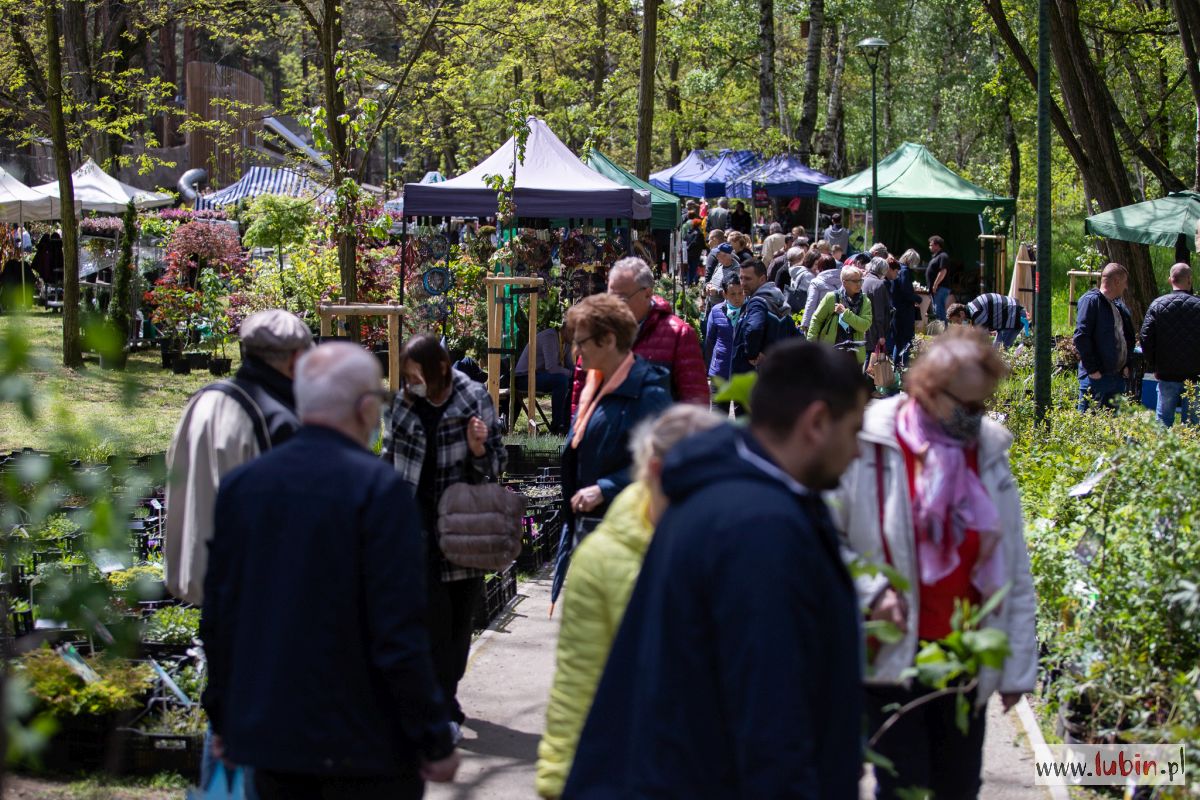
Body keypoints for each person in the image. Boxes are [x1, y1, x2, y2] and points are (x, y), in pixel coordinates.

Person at [564, 340, 870, 799]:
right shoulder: (760, 527)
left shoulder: (723, 499)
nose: (859, 452)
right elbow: (772, 719)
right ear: (817, 422)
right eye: (854, 431)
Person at [201, 343, 460, 800]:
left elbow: (221, 617)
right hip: (367, 747)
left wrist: (223, 716)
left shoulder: (243, 488)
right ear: (365, 408)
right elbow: (398, 630)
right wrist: (433, 735)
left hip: (274, 739)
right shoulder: (380, 492)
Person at [832, 327, 1037, 800]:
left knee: (959, 787)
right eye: (962, 404)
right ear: (924, 388)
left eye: (980, 404)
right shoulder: (866, 439)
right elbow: (823, 536)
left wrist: (1017, 667)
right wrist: (874, 593)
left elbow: (1013, 563)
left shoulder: (987, 449)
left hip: (963, 655)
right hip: (887, 656)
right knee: (903, 786)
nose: (973, 417)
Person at [537, 405, 722, 800]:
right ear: (655, 473)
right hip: (633, 767)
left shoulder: (737, 549)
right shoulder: (601, 559)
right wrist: (557, 781)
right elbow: (578, 680)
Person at [383, 333, 506, 737]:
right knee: (431, 619)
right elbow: (390, 456)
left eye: (417, 375)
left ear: (439, 370)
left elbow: (497, 462)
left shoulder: (472, 398)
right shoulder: (403, 402)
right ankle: (437, 703)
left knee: (459, 620)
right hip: (416, 523)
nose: (411, 382)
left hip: (464, 524)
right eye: (406, 376)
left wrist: (478, 450)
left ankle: (446, 693)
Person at [165, 309, 314, 606]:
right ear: (297, 359)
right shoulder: (277, 421)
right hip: (255, 599)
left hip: (203, 586)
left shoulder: (204, 398)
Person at [557, 294, 673, 597]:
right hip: (596, 533)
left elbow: (664, 465)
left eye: (581, 343)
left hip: (627, 541)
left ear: (608, 340)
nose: (576, 352)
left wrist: (605, 487)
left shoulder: (647, 393)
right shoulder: (596, 386)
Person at [569, 257, 706, 407]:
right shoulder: (598, 329)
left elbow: (695, 402)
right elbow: (581, 394)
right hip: (605, 428)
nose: (614, 305)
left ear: (647, 294)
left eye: (621, 298)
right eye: (610, 297)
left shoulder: (678, 334)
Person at [1139, 263, 1200, 426]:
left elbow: (1145, 337)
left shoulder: (1157, 305)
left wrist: (1154, 364)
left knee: (1163, 420)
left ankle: (1161, 451)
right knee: (1193, 422)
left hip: (1166, 373)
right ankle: (1191, 451)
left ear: (1170, 280)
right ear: (1189, 280)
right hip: (1194, 374)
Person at [1073, 262, 1135, 411]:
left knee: (1112, 427)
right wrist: (1093, 371)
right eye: (1125, 283)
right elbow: (1081, 337)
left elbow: (1127, 337)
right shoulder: (1091, 301)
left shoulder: (1118, 306)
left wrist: (1126, 365)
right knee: (1088, 425)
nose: (1125, 287)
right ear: (1116, 281)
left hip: (1116, 377)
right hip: (1097, 378)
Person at [731, 259, 791, 375]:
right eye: (741, 278)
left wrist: (752, 354)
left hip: (751, 375)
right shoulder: (778, 299)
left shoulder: (758, 302)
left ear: (762, 279)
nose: (742, 283)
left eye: (748, 279)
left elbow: (754, 328)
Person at [808, 265, 873, 364]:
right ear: (844, 282)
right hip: (831, 351)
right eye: (855, 281)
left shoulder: (865, 301)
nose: (859, 284)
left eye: (861, 280)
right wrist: (812, 345)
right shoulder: (831, 297)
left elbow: (864, 326)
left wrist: (845, 313)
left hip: (854, 354)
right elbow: (816, 320)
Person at [515, 325, 573, 434]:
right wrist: (571, 373)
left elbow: (570, 367)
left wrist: (580, 374)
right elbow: (551, 368)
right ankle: (557, 425)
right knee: (561, 380)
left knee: (574, 381)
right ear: (567, 329)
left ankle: (567, 424)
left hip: (540, 375)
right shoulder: (550, 337)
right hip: (524, 378)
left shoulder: (567, 343)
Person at [704, 275, 743, 414]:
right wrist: (710, 366)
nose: (737, 298)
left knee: (744, 419)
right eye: (733, 294)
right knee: (717, 417)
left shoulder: (750, 311)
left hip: (742, 374)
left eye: (741, 293)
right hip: (720, 371)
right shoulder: (716, 311)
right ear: (724, 294)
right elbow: (710, 340)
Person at [948, 293, 1028, 348]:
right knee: (997, 350)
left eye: (957, 320)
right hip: (1011, 315)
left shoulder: (976, 314)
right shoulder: (972, 306)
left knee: (999, 352)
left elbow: (983, 339)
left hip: (1014, 316)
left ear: (961, 313)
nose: (958, 323)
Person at [893, 248, 922, 365]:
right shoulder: (904, 271)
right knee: (906, 341)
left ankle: (896, 366)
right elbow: (906, 292)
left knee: (898, 342)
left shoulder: (897, 269)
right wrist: (917, 298)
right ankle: (903, 366)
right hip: (904, 310)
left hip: (896, 309)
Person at [863, 256, 896, 356]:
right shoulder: (879, 284)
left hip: (862, 328)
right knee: (871, 364)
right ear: (883, 270)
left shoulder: (862, 280)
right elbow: (879, 313)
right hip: (873, 332)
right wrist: (881, 335)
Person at [802, 253, 843, 331]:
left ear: (820, 267)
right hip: (840, 323)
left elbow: (811, 303)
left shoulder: (815, 282)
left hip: (821, 323)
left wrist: (805, 323)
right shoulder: (843, 280)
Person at [776, 246, 812, 314]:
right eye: (801, 258)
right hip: (786, 307)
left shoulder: (804, 269)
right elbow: (778, 290)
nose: (803, 260)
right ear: (796, 259)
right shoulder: (783, 271)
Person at [928, 235, 953, 322]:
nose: (929, 247)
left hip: (940, 288)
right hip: (937, 289)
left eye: (931, 245)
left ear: (937, 245)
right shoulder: (936, 256)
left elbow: (943, 271)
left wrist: (935, 285)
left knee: (940, 310)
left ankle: (944, 332)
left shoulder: (943, 256)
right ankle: (941, 330)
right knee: (937, 310)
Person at [683, 211, 705, 286]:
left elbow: (685, 241)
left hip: (688, 253)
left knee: (689, 268)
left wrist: (687, 249)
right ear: (698, 225)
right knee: (693, 268)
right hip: (695, 254)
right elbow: (700, 243)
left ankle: (689, 281)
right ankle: (691, 282)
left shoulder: (689, 233)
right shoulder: (699, 234)